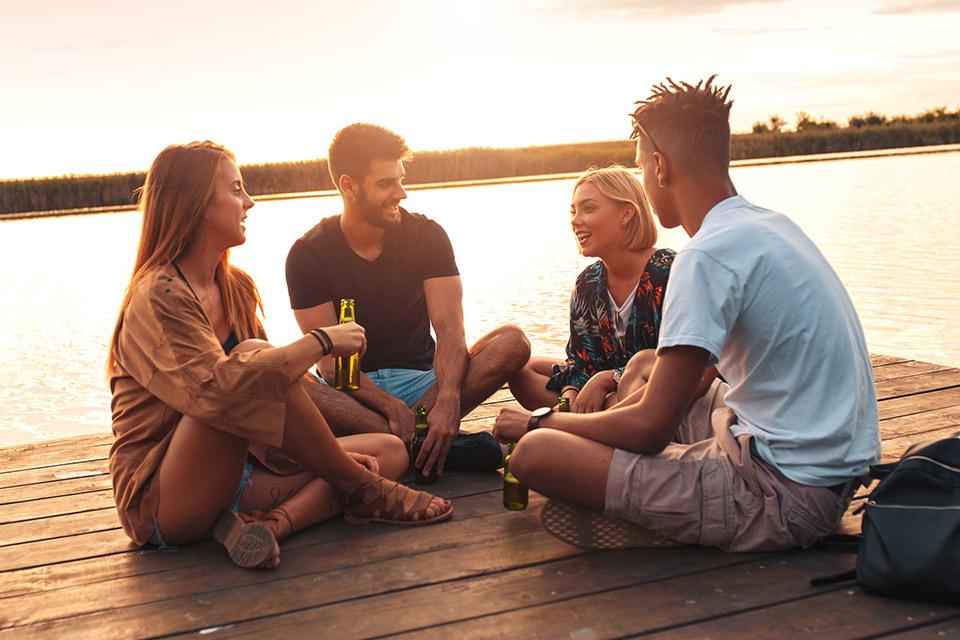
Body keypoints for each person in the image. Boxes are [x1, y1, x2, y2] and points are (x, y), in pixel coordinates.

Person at [494, 76, 882, 552]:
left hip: (781, 495)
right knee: (641, 366)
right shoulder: (769, 225)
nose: (644, 179)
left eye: (640, 169)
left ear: (659, 166)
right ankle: (660, 476)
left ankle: (658, 500)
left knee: (535, 454)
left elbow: (648, 428)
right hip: (828, 473)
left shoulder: (704, 256)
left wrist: (540, 422)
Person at [108, 141, 453, 570]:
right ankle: (363, 489)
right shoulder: (158, 296)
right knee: (256, 359)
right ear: (195, 204)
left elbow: (280, 387)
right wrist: (322, 342)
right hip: (165, 499)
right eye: (236, 190)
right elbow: (220, 390)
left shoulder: (235, 287)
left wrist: (325, 453)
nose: (249, 201)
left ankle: (272, 525)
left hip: (240, 475)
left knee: (389, 451)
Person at [285, 123, 530, 479]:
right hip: (350, 392)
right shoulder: (307, 254)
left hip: (422, 382)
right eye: (385, 183)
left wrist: (446, 399)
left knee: (512, 341)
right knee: (284, 378)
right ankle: (424, 443)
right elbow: (329, 365)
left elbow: (449, 329)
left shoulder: (426, 235)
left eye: (400, 179)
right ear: (349, 186)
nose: (401, 193)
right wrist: (387, 405)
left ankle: (397, 441)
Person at [508, 165, 680, 413]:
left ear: (626, 213)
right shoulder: (587, 283)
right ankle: (582, 414)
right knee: (524, 371)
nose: (575, 221)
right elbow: (580, 361)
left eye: (588, 209)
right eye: (573, 211)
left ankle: (585, 418)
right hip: (607, 394)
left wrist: (609, 378)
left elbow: (680, 365)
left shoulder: (670, 272)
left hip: (657, 396)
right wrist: (570, 391)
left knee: (623, 398)